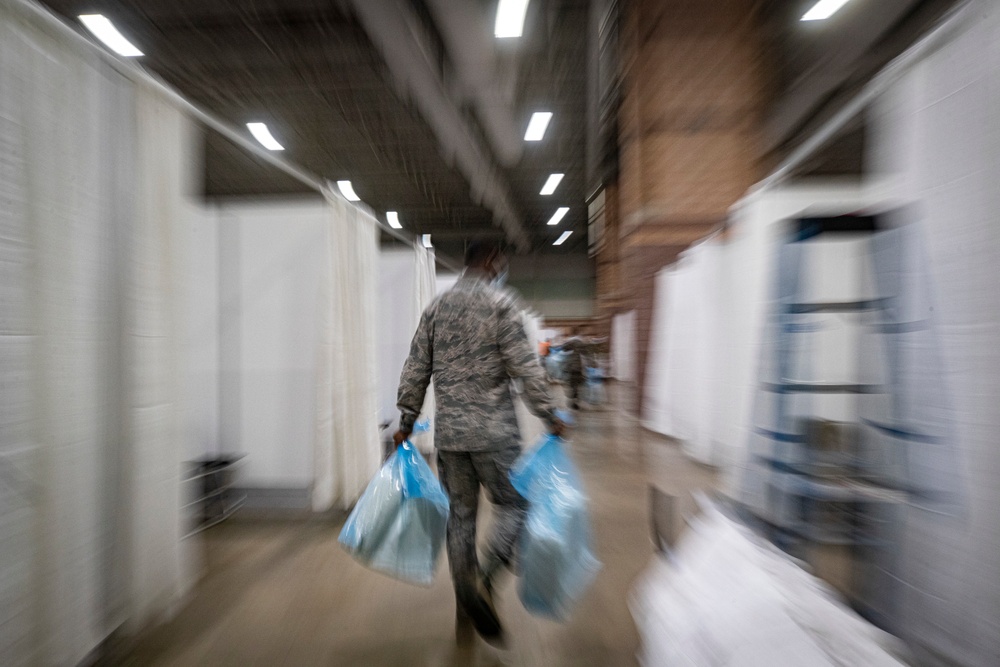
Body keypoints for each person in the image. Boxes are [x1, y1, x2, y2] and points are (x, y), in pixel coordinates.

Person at [393, 240, 565, 646]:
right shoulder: (501, 304)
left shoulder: (436, 308)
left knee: (461, 517)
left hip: (451, 437)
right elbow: (526, 369)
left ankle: (464, 604)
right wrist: (551, 416)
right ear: (490, 261)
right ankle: (486, 579)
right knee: (515, 504)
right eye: (500, 263)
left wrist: (406, 419)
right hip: (495, 434)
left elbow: (415, 367)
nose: (501, 269)